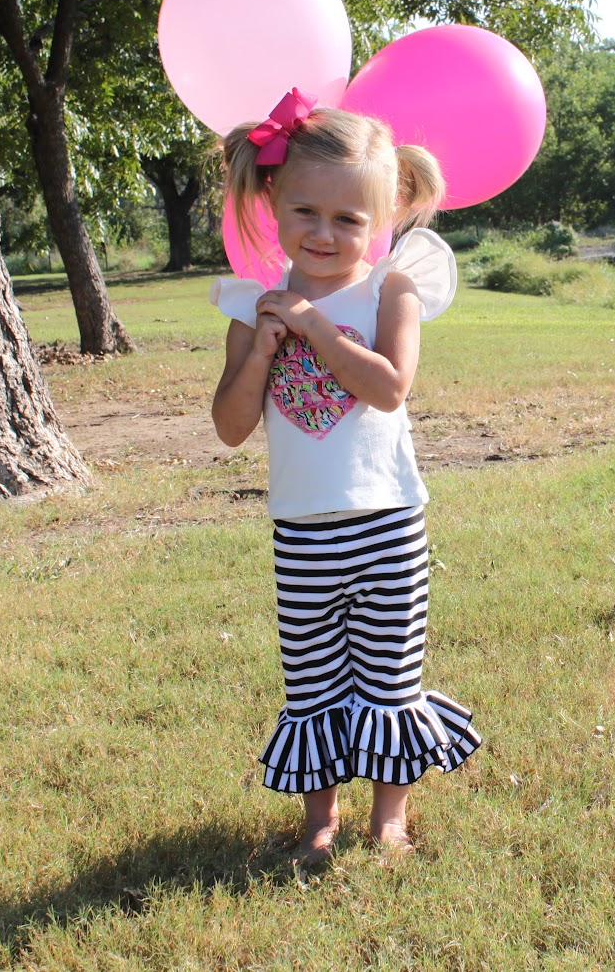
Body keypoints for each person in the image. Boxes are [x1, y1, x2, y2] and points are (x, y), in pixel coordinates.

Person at [210, 89, 480, 868]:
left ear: (383, 216)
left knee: (389, 678)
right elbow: (230, 425)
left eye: (348, 219)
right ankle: (319, 821)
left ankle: (389, 817)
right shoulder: (251, 304)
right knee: (314, 683)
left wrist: (316, 324)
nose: (324, 233)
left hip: (386, 523)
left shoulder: (390, 288)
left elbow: (389, 386)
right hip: (302, 530)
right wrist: (265, 346)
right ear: (273, 201)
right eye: (305, 212)